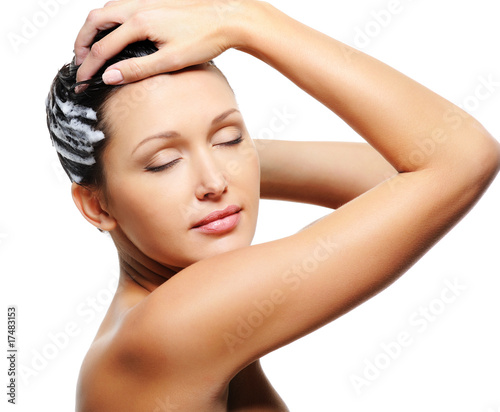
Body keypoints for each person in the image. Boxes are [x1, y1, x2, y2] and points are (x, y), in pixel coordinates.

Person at [46, 1, 500, 410]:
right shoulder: (170, 327)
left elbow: (400, 180)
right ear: (94, 205)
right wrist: (246, 18)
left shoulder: (153, 315)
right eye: (162, 164)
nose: (214, 183)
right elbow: (461, 160)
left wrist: (203, 151)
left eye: (229, 137)